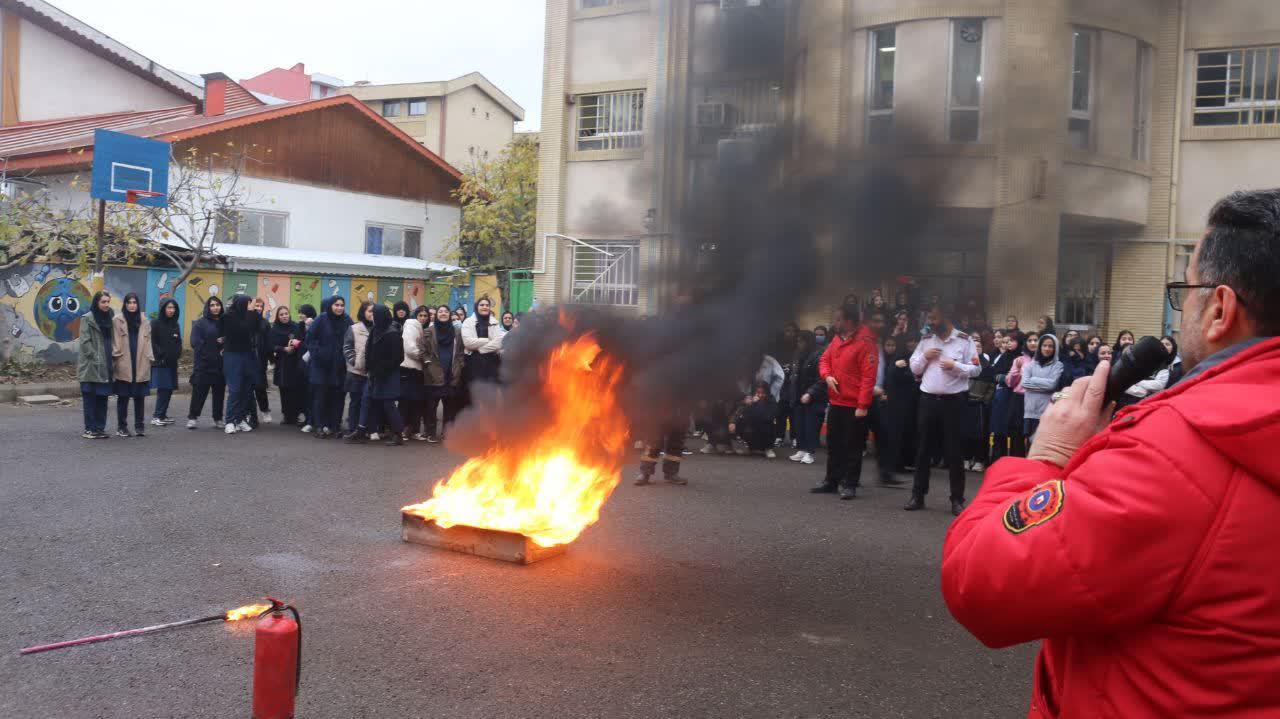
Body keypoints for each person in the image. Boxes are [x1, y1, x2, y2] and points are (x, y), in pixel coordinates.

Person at [942, 188, 1280, 717]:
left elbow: (979, 583)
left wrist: (1047, 456)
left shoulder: (1176, 453)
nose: (1182, 313)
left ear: (1220, 308)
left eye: (1185, 290)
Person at [905, 304, 981, 515]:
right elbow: (914, 367)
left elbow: (976, 369)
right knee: (923, 450)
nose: (930, 322)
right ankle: (917, 496)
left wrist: (955, 366)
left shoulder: (964, 340)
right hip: (928, 400)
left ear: (946, 317)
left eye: (934, 318)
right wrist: (925, 356)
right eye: (929, 318)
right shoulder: (926, 340)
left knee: (954, 451)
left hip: (954, 402)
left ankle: (957, 499)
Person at [809, 303, 881, 500]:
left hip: (854, 405)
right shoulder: (837, 339)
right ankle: (831, 480)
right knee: (834, 444)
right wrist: (827, 376)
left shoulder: (866, 343)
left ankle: (850, 484)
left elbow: (868, 378)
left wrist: (862, 406)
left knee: (853, 447)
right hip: (837, 402)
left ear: (849, 321)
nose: (835, 322)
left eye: (838, 319)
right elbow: (824, 360)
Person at [358, 304, 405, 446]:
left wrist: (381, 369)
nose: (373, 317)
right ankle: (362, 431)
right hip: (375, 374)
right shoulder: (376, 329)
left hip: (388, 375)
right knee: (371, 400)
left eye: (375, 314)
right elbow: (369, 349)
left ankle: (398, 434)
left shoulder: (392, 333)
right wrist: (369, 367)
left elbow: (398, 357)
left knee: (388, 404)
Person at [306, 295, 350, 439]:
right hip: (321, 366)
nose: (339, 308)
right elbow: (310, 338)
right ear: (330, 306)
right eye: (336, 305)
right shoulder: (321, 319)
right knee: (320, 397)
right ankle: (319, 426)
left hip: (339, 367)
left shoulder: (347, 320)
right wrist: (318, 353)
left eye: (342, 305)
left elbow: (351, 340)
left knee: (338, 398)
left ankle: (335, 426)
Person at [420, 304, 465, 442]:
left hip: (451, 373)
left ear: (450, 315)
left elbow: (461, 351)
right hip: (433, 374)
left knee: (450, 407)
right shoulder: (428, 331)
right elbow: (423, 351)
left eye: (446, 311)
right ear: (436, 315)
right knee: (431, 406)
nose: (443, 313)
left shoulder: (457, 332)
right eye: (440, 311)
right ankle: (431, 433)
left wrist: (460, 365)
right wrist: (428, 363)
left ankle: (447, 433)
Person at [112, 292, 153, 437]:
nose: (132, 305)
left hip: (141, 362)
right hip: (124, 362)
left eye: (134, 302)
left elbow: (148, 342)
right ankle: (121, 427)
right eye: (129, 302)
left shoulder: (144, 321)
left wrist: (149, 359)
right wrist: (116, 357)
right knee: (123, 397)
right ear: (125, 304)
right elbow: (114, 342)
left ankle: (139, 426)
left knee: (139, 397)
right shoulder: (117, 320)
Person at [221, 295, 261, 435]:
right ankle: (230, 421)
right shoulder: (228, 316)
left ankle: (240, 419)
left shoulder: (249, 315)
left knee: (247, 389)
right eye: (248, 304)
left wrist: (254, 313)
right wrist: (250, 313)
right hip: (233, 356)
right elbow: (243, 329)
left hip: (248, 355)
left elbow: (257, 327)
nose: (251, 307)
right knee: (235, 389)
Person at [77, 291, 114, 439]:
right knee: (90, 398)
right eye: (103, 302)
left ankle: (99, 428)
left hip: (106, 363)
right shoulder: (87, 318)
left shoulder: (110, 317)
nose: (106, 305)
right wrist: (96, 357)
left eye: (108, 302)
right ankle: (89, 429)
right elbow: (85, 342)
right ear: (96, 302)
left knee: (103, 398)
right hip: (91, 366)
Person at [188, 296, 226, 430]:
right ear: (208, 307)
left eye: (218, 305)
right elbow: (195, 342)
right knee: (199, 392)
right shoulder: (200, 323)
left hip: (220, 364)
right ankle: (193, 417)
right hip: (204, 364)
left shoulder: (224, 322)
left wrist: (225, 342)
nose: (215, 308)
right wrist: (211, 348)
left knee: (219, 393)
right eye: (212, 305)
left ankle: (218, 418)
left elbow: (230, 338)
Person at [1019, 334, 1063, 440]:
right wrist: (1044, 384)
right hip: (1030, 412)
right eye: (1044, 345)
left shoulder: (1058, 365)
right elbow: (1024, 383)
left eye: (1051, 346)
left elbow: (1052, 385)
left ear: (1055, 349)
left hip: (1047, 412)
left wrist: (1033, 379)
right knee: (1030, 444)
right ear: (1040, 347)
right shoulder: (1030, 365)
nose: (1047, 349)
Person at [790, 331, 825, 465]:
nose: (799, 344)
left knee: (811, 426)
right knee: (799, 424)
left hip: (814, 397)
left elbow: (821, 379)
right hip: (799, 395)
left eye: (801, 341)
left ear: (808, 341)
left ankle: (809, 452)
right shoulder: (798, 354)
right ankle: (801, 449)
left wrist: (810, 393)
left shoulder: (819, 355)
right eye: (798, 341)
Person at [461, 298, 505, 401]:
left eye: (487, 305)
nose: (485, 307)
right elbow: (468, 343)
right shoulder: (468, 322)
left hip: (491, 362)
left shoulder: (495, 322)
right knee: (473, 395)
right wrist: (487, 340)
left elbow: (499, 343)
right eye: (481, 305)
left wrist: (480, 348)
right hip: (473, 362)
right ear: (477, 307)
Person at [342, 301, 374, 442]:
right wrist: (354, 361)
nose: (372, 314)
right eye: (370, 311)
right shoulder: (354, 328)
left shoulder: (379, 328)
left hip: (372, 372)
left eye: (374, 311)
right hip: (356, 372)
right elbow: (347, 347)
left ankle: (366, 429)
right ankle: (352, 428)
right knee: (355, 401)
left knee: (369, 402)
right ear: (363, 312)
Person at [988, 333, 1022, 463]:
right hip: (1002, 397)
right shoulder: (1004, 357)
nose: (1008, 343)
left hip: (1016, 397)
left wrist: (1006, 378)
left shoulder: (1023, 358)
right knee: (999, 430)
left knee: (1014, 433)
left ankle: (1012, 463)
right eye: (1007, 341)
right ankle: (997, 461)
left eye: (1012, 341)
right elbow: (994, 375)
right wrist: (1004, 378)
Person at [270, 306, 306, 425]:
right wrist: (284, 349)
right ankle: (287, 415)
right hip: (282, 363)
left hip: (295, 362)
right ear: (278, 317)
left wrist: (296, 345)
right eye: (281, 314)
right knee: (284, 390)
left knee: (295, 389)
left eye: (286, 313)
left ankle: (295, 415)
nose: (284, 316)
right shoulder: (274, 329)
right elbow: (271, 345)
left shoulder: (295, 327)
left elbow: (303, 341)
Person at [148, 298, 181, 427]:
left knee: (169, 389)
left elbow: (178, 342)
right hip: (161, 362)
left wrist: (177, 353)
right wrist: (160, 355)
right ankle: (157, 416)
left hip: (172, 362)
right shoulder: (155, 323)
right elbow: (152, 341)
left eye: (173, 308)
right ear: (163, 309)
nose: (171, 310)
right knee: (163, 389)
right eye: (169, 308)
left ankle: (162, 414)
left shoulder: (175, 324)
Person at [398, 302, 428, 441]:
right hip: (409, 368)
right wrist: (424, 357)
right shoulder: (411, 326)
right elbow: (409, 348)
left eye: (425, 315)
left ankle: (414, 430)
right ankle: (402, 430)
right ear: (415, 316)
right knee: (405, 401)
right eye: (420, 315)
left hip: (418, 369)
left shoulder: (422, 328)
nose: (423, 318)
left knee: (416, 401)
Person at [248, 298, 272, 426]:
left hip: (260, 360)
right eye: (256, 306)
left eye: (260, 306)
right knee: (247, 389)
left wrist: (270, 359)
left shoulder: (265, 323)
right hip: (247, 360)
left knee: (260, 388)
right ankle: (250, 414)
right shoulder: (245, 321)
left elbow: (268, 343)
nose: (258, 308)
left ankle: (265, 410)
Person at [295, 304, 317, 432]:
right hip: (301, 363)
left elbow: (310, 342)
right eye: (299, 313)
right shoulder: (300, 325)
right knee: (303, 392)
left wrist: (299, 343)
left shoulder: (315, 324)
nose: (300, 315)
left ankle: (312, 420)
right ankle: (307, 418)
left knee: (311, 393)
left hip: (311, 363)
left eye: (302, 313)